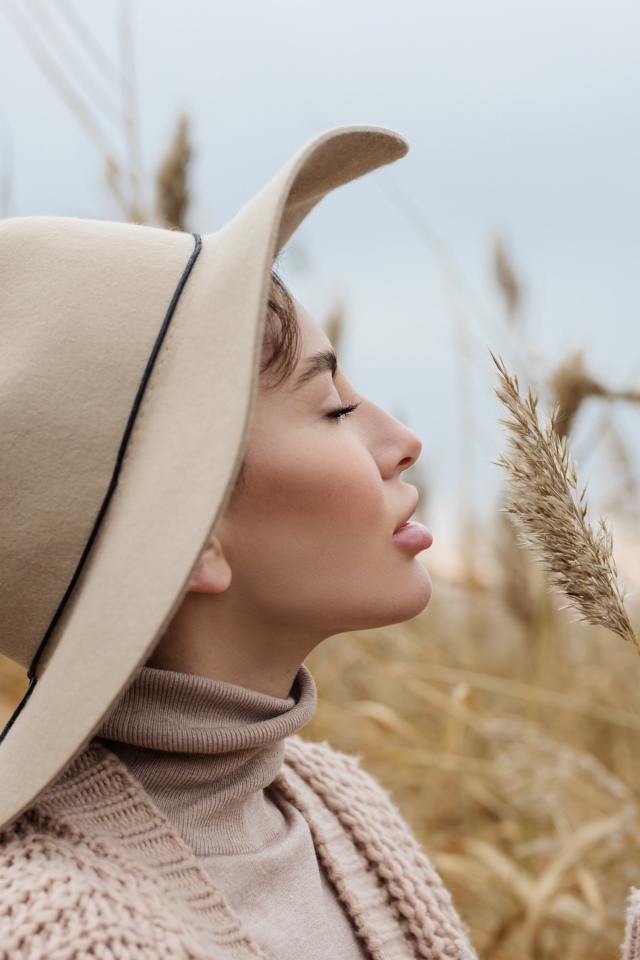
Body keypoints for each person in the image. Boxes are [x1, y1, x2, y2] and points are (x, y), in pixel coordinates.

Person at [0, 126, 477, 959]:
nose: (402, 440)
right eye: (333, 408)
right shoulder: (64, 931)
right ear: (194, 538)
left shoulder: (333, 806)